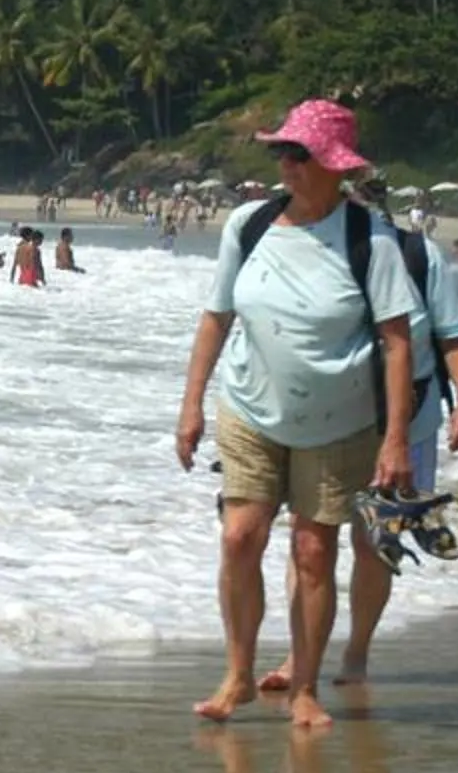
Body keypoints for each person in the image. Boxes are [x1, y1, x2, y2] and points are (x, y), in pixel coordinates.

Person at [176, 100, 419, 731]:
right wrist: (191, 405)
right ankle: (237, 676)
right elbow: (216, 316)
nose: (286, 165)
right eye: (281, 152)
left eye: (299, 154)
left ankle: (306, 688)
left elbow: (398, 342)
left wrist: (396, 441)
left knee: (313, 552)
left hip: (339, 424)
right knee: (239, 538)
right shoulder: (248, 226)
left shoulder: (371, 241)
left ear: (335, 167)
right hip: (250, 409)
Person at [262, 177, 458, 691]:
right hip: (327, 417)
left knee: (373, 541)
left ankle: (356, 653)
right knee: (310, 538)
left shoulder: (416, 254)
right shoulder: (313, 251)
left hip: (409, 420)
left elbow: (453, 335)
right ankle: (300, 657)